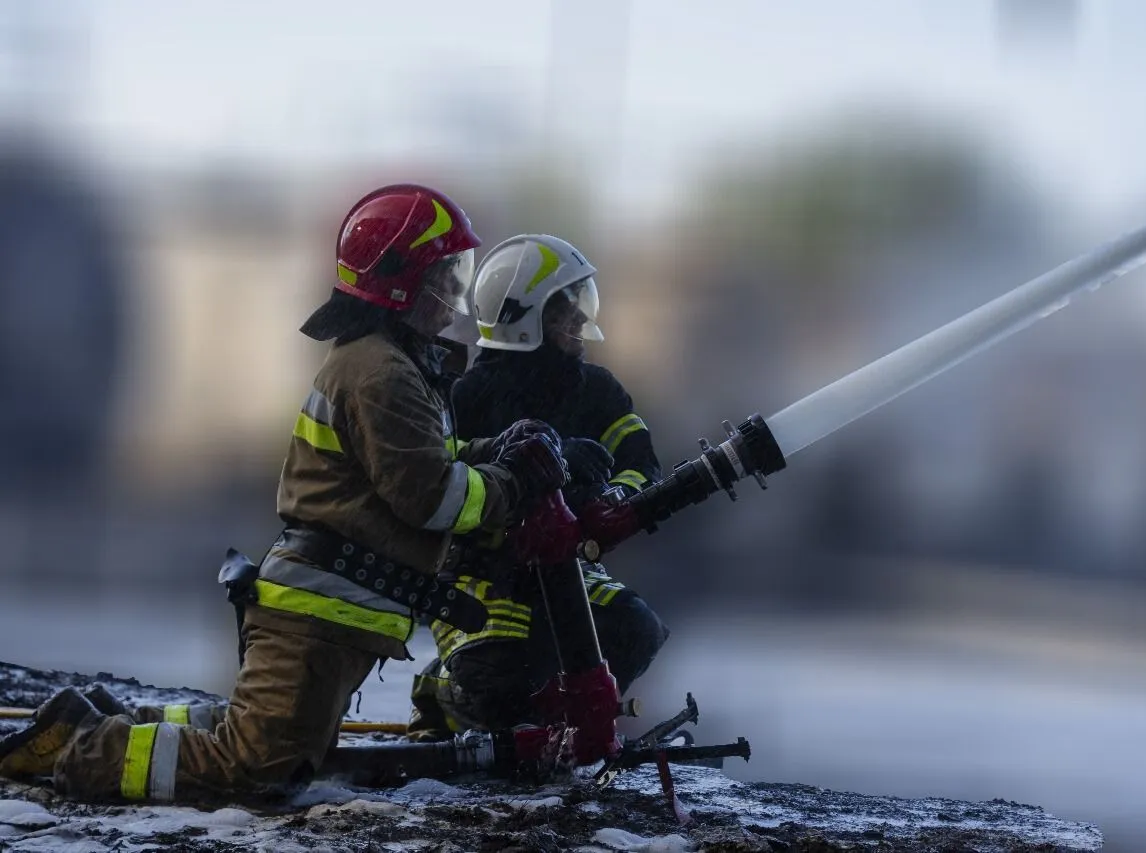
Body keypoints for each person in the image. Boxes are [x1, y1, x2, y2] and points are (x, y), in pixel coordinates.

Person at [0, 184, 570, 802]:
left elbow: (421, 465)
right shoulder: (382, 374)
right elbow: (431, 498)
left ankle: (91, 723)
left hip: (328, 615)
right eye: (445, 275)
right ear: (401, 282)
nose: (455, 295)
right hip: (315, 617)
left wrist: (496, 453)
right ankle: (83, 750)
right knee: (256, 765)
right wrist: (516, 482)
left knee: (265, 741)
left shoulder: (389, 366)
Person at [408, 233, 669, 738]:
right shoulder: (466, 394)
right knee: (502, 696)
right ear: (524, 317)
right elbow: (441, 475)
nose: (579, 318)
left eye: (579, 301)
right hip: (482, 574)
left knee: (637, 631)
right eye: (564, 307)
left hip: (568, 565)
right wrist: (546, 463)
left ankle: (558, 723)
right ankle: (441, 690)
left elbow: (641, 465)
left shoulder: (598, 390)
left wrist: (609, 497)